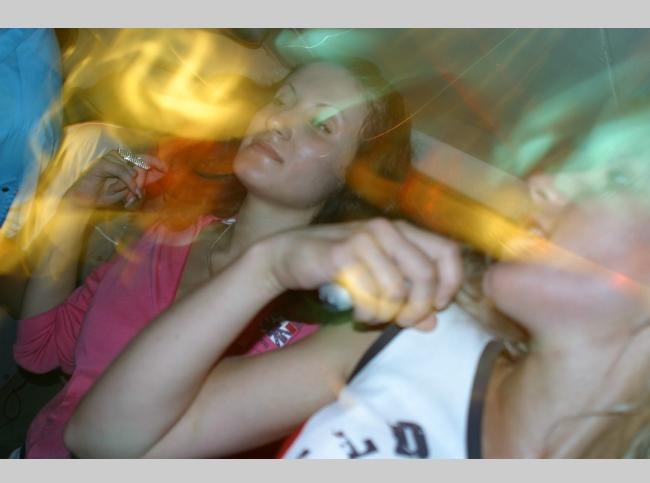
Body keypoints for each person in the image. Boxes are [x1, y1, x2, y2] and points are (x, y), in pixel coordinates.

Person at [66, 97, 650, 459]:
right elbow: (101, 443)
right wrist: (268, 266)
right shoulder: (416, 335)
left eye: (619, 179)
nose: (543, 185)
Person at [14, 58, 460, 458]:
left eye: (322, 125)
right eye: (282, 100)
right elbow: (41, 350)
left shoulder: (317, 333)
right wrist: (71, 216)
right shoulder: (170, 235)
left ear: (353, 178)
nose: (280, 120)